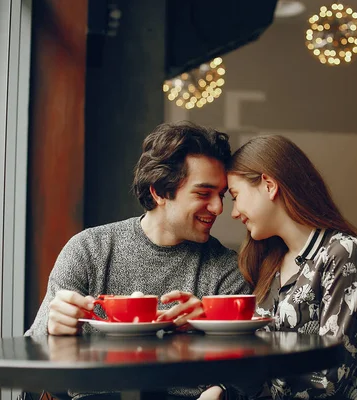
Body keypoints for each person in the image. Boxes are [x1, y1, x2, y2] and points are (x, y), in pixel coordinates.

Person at [25, 121, 250, 399]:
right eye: (203, 193)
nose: (218, 208)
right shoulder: (88, 249)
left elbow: (249, 375)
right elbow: (31, 360)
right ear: (158, 192)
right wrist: (52, 329)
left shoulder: (226, 267)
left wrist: (220, 379)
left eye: (221, 195)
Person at [209, 135, 357, 399]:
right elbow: (256, 355)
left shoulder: (343, 251)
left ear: (269, 185)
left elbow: (332, 372)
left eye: (235, 196)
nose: (233, 212)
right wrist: (224, 388)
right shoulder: (268, 263)